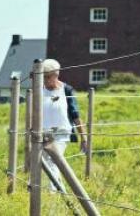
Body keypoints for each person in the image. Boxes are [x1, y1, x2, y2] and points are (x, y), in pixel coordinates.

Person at [40, 58, 87, 189]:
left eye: (48, 76)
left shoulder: (66, 90)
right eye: (43, 77)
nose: (46, 80)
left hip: (62, 133)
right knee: (43, 164)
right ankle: (61, 193)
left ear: (56, 74)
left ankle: (53, 193)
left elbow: (75, 114)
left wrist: (84, 137)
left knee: (53, 161)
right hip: (42, 133)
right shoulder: (38, 90)